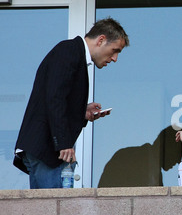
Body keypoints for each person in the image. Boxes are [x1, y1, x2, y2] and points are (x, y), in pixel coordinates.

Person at [14, 17, 129, 189]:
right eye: (114, 50)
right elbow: (55, 97)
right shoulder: (69, 51)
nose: (115, 58)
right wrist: (64, 143)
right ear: (101, 40)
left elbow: (56, 96)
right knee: (52, 212)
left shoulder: (73, 54)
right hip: (46, 152)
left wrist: (82, 111)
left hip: (46, 152)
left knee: (49, 211)